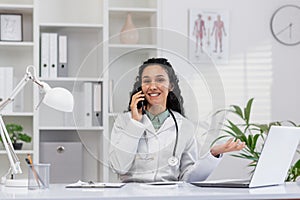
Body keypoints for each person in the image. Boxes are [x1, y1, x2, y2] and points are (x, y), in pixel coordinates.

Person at [109, 58, 245, 183]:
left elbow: (189, 178)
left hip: (169, 196)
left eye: (160, 80)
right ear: (141, 87)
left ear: (171, 86)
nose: (153, 86)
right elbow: (119, 167)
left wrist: (213, 154)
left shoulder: (184, 126)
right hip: (131, 196)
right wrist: (135, 124)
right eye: (146, 81)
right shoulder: (124, 122)